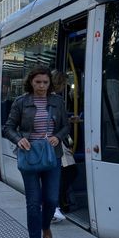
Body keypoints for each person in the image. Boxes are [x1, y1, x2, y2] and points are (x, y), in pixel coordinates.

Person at [2, 67, 70, 238]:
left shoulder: (57, 101)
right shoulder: (21, 102)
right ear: (30, 82)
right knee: (33, 203)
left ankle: (46, 224)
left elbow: (65, 126)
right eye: (38, 82)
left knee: (50, 199)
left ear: (50, 83)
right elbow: (8, 127)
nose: (41, 86)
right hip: (29, 155)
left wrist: (58, 137)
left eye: (45, 82)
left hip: (52, 156)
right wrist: (18, 139)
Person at [50, 70, 77, 221]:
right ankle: (56, 204)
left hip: (56, 142)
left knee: (63, 174)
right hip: (58, 143)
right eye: (64, 83)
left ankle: (57, 204)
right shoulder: (56, 99)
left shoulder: (50, 98)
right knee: (69, 172)